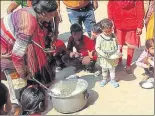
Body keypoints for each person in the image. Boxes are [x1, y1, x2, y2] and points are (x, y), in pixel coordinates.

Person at [1, 0, 59, 86]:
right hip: (5, 44)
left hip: (12, 39)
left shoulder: (32, 11)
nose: (54, 15)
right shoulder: (28, 25)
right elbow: (17, 56)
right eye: (52, 13)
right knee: (18, 80)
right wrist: (24, 74)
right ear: (43, 13)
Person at [108, 0, 145, 74]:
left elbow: (110, 8)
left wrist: (111, 21)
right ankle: (124, 64)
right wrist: (139, 26)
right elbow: (140, 10)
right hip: (124, 23)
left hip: (122, 22)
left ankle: (124, 64)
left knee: (122, 45)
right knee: (120, 45)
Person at [95, 18, 121, 88]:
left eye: (110, 31)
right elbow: (97, 48)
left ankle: (112, 80)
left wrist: (118, 51)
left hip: (113, 56)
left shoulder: (114, 36)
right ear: (101, 29)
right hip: (104, 57)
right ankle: (104, 79)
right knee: (104, 69)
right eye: (106, 32)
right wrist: (103, 54)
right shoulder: (99, 38)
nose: (108, 33)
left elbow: (118, 44)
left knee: (112, 69)